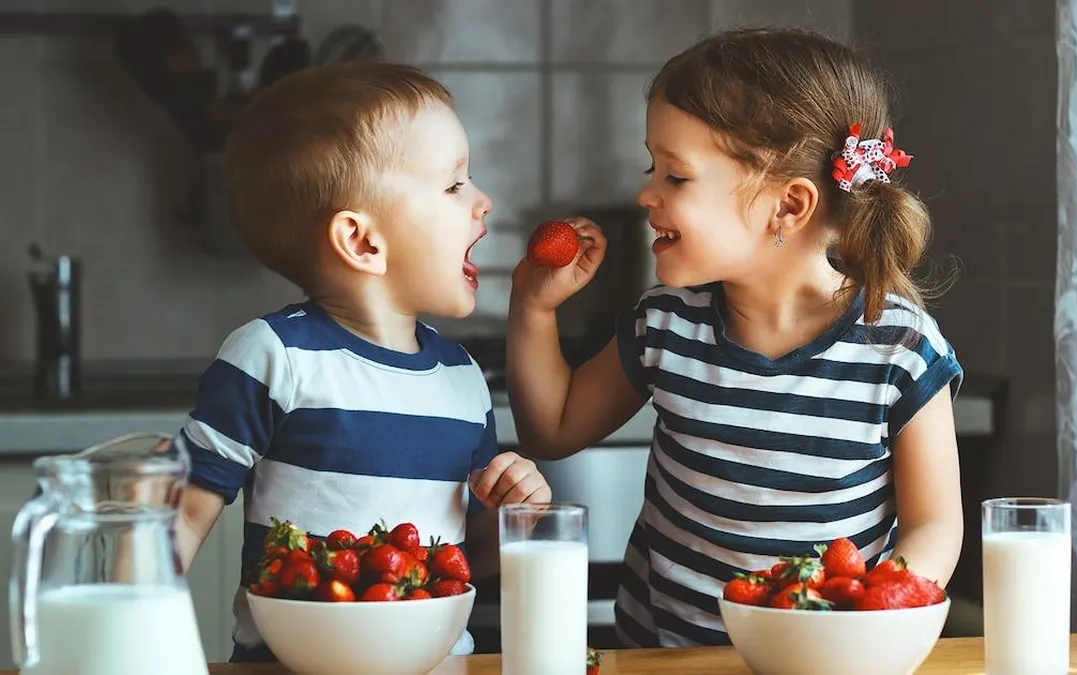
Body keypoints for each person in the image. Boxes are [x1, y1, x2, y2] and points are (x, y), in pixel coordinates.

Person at [506, 27, 964, 647]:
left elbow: (936, 525)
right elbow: (551, 428)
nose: (646, 193)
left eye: (677, 176)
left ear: (788, 206)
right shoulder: (665, 325)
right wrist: (534, 308)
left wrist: (873, 619)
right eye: (653, 168)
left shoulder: (899, 350)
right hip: (660, 657)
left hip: (819, 659)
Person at [172, 62, 551, 662]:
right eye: (454, 185)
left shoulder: (462, 379)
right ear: (363, 242)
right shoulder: (273, 359)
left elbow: (462, 559)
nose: (483, 202)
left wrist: (514, 519)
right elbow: (179, 521)